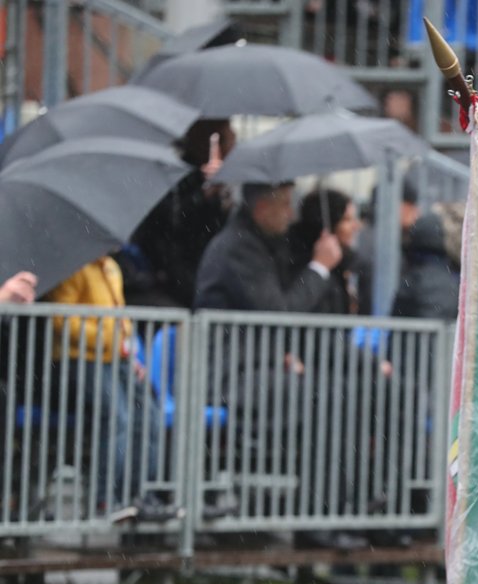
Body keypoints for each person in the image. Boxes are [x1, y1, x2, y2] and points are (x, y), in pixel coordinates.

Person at [43, 256, 159, 515]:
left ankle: (140, 495)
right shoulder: (71, 266)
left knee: (149, 416)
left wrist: (129, 352)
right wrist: (109, 340)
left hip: (116, 358)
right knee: (118, 418)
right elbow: (63, 320)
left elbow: (120, 318)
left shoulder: (111, 266)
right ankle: (105, 498)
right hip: (80, 358)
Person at [124, 119, 237, 309]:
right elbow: (173, 220)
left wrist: (220, 203)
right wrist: (204, 195)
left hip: (196, 273)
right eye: (226, 142)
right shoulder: (174, 173)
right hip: (168, 276)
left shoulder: (216, 182)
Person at [194, 182, 339, 313]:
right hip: (234, 341)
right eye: (285, 204)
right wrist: (320, 266)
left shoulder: (256, 240)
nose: (291, 214)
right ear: (262, 208)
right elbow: (277, 313)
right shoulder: (242, 248)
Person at [289, 188, 372, 317]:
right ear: (328, 225)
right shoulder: (297, 262)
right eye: (347, 219)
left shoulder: (350, 265)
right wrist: (320, 267)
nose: (356, 226)